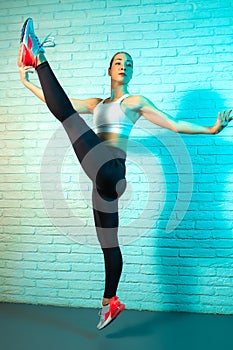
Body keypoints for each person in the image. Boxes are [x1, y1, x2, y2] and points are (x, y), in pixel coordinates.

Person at [18, 18, 232, 330]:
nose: (124, 66)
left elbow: (172, 124)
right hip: (102, 180)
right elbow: (60, 102)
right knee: (109, 244)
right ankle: (110, 302)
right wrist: (27, 84)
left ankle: (36, 54)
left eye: (128, 63)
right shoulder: (97, 103)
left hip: (111, 166)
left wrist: (211, 130)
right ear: (109, 70)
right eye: (118, 62)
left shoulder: (135, 101)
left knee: (67, 120)